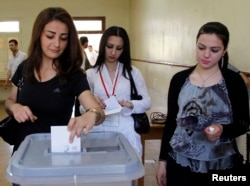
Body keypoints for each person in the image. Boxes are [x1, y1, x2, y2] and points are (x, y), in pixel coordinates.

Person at [156, 22, 249, 186]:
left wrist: (223, 129)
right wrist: (162, 161)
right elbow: (171, 122)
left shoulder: (234, 81)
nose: (206, 55)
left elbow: (243, 123)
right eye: (201, 47)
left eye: (214, 50)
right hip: (180, 162)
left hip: (221, 165)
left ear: (224, 51)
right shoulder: (179, 80)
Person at [4, 7, 105, 155]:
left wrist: (91, 115)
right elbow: (10, 101)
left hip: (56, 151)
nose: (57, 44)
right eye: (50, 36)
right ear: (39, 35)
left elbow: (99, 112)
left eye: (63, 38)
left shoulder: (73, 74)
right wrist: (15, 108)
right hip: (24, 152)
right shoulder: (25, 67)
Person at [85, 26, 151, 157]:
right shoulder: (91, 74)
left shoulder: (133, 73)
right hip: (98, 127)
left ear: (124, 49)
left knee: (126, 172)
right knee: (100, 171)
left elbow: (147, 102)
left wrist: (130, 104)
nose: (113, 52)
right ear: (103, 45)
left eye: (119, 48)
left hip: (125, 128)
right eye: (109, 46)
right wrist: (92, 103)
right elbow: (82, 108)